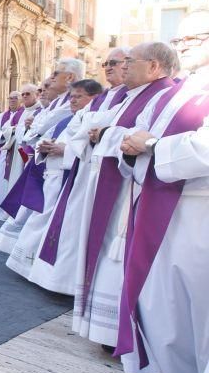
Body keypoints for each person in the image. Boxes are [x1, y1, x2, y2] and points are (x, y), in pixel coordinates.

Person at [112, 47, 208, 373]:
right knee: (161, 297)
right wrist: (132, 150)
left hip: (199, 210)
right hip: (162, 203)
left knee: (197, 306)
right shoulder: (179, 92)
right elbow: (142, 140)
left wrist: (150, 146)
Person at [72, 42, 177, 349]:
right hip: (115, 181)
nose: (123, 66)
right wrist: (104, 132)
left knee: (117, 255)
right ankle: (105, 329)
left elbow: (145, 137)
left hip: (131, 189)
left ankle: (115, 332)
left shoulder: (162, 95)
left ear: (154, 67)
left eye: (131, 61)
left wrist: (106, 134)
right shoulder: (133, 95)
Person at [5, 78, 101, 285]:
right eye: (72, 96)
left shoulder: (94, 119)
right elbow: (42, 137)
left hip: (69, 182)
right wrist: (45, 146)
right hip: (52, 178)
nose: (73, 101)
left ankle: (51, 277)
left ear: (94, 98)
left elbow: (93, 152)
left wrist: (64, 150)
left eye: (79, 97)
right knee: (40, 221)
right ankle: (29, 266)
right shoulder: (67, 120)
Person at [0, 59, 83, 255]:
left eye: (54, 74)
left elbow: (41, 126)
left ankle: (31, 255)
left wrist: (34, 128)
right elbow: (34, 129)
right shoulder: (59, 101)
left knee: (40, 212)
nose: (49, 81)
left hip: (56, 164)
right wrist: (33, 129)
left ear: (70, 78)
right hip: (43, 160)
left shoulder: (71, 101)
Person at [0, 84, 39, 221]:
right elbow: (7, 129)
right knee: (9, 182)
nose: (24, 97)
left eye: (26, 94)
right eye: (22, 94)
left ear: (36, 94)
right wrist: (12, 130)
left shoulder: (38, 111)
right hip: (12, 151)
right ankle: (6, 212)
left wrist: (14, 130)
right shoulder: (13, 113)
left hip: (26, 153)